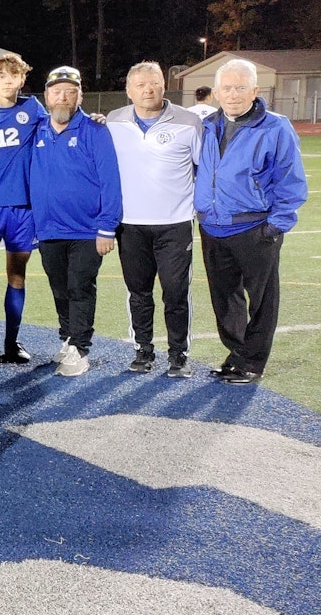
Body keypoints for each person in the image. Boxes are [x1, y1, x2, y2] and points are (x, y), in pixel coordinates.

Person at [195, 58, 309, 384]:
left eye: (240, 87)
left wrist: (276, 226)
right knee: (225, 299)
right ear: (216, 92)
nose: (233, 94)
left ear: (255, 90)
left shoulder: (276, 126)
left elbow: (291, 181)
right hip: (212, 227)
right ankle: (236, 355)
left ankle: (253, 363)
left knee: (261, 300)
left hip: (254, 227)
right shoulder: (205, 125)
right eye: (227, 88)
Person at [105, 62, 203, 377]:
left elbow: (204, 169)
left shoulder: (189, 122)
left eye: (155, 83)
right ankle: (143, 352)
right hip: (130, 225)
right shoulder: (113, 121)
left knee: (175, 292)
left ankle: (179, 356)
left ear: (164, 86)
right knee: (139, 292)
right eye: (141, 85)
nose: (149, 90)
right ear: (129, 91)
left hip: (175, 225)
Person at [27, 66, 122, 377]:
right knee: (59, 288)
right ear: (47, 96)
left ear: (80, 95)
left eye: (70, 91)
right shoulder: (37, 130)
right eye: (57, 91)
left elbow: (110, 181)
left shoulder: (95, 130)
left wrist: (107, 226)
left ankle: (80, 348)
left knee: (80, 287)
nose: (63, 97)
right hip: (48, 229)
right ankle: (67, 338)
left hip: (86, 230)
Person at [0, 53, 46, 365]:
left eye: (13, 75)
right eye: (1, 75)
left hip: (24, 208)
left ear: (22, 80)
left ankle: (11, 342)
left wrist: (92, 118)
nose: (7, 80)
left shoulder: (33, 108)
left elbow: (62, 123)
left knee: (17, 274)